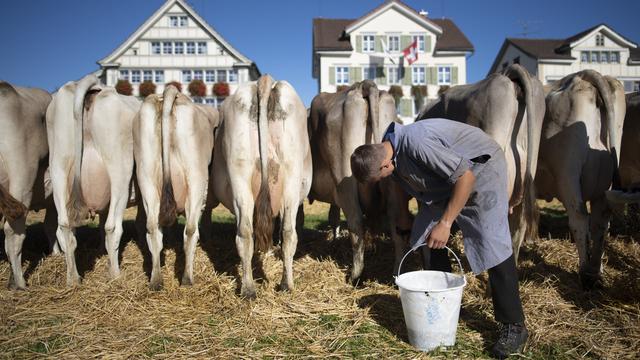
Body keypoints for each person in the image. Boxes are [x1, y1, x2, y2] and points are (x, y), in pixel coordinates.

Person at [350, 118, 528, 358]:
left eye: (380, 178)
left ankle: (514, 326)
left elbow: (465, 177)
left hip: (479, 170)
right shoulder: (387, 148)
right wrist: (406, 215)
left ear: (384, 166)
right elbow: (406, 179)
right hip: (445, 183)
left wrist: (445, 223)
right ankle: (445, 304)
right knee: (425, 237)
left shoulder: (418, 143)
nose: (383, 180)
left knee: (491, 243)